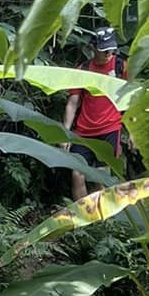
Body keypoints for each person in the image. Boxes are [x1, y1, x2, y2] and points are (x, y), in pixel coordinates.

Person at [63, 26, 126, 202]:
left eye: (111, 49)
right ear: (92, 48)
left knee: (101, 177)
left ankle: (105, 223)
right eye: (103, 50)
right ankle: (83, 220)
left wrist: (134, 132)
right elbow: (73, 101)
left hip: (110, 128)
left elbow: (131, 97)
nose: (108, 53)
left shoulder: (121, 67)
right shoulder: (83, 69)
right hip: (83, 130)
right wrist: (65, 133)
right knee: (77, 173)